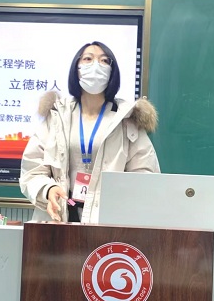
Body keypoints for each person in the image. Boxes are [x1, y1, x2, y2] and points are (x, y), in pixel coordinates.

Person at [20, 41, 160, 223]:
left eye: (104, 61)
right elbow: (32, 169)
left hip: (109, 222)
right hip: (60, 215)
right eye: (88, 59)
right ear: (76, 68)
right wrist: (47, 190)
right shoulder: (57, 115)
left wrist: (122, 200)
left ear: (112, 71)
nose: (96, 65)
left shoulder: (126, 119)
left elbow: (145, 174)